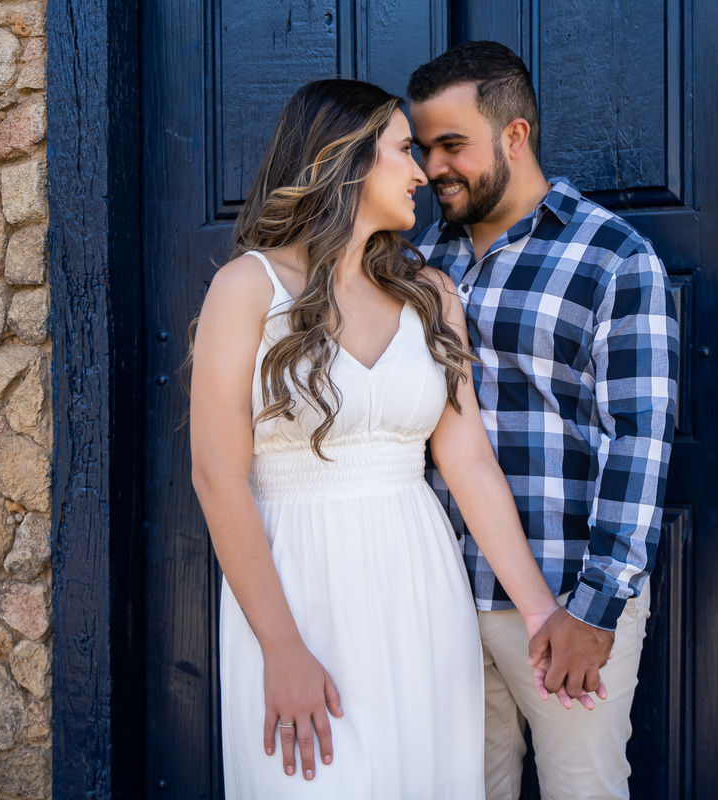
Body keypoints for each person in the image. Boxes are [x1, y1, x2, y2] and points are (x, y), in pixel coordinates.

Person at [189, 78, 573, 798]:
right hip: (297, 591)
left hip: (420, 588)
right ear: (347, 160)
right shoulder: (247, 289)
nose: (424, 173)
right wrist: (281, 649)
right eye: (403, 150)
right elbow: (217, 475)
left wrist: (540, 609)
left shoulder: (429, 295)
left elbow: (467, 461)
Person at [409, 41, 679, 798]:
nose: (433, 168)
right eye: (424, 147)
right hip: (445, 598)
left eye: (452, 144)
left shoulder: (613, 258)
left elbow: (641, 438)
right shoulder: (417, 255)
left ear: (515, 136)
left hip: (564, 601)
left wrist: (594, 610)